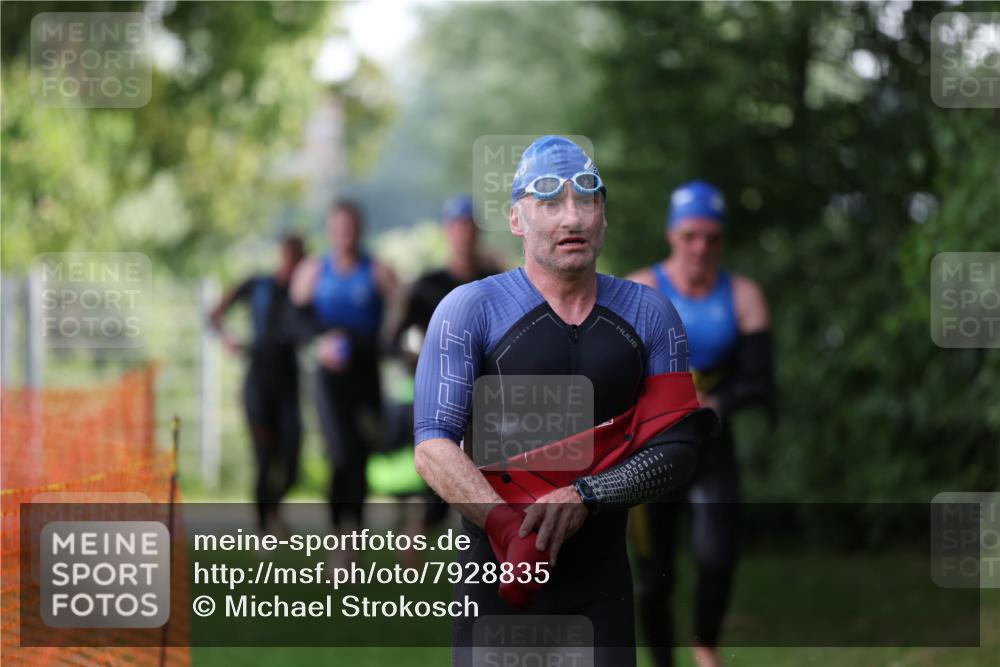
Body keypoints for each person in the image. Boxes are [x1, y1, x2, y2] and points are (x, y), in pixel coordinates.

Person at [413, 136, 715, 667]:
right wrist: (506, 529)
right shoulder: (469, 310)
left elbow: (680, 447)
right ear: (516, 219)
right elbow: (432, 446)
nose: (571, 218)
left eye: (587, 200)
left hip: (599, 589)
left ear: (604, 216)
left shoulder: (650, 314)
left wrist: (586, 495)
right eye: (549, 203)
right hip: (497, 579)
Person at [627, 180, 776, 667]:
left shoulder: (744, 296)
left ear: (722, 241)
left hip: (711, 448)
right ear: (672, 235)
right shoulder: (639, 290)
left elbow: (759, 382)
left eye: (711, 238)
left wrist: (715, 400)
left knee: (717, 558)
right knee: (653, 578)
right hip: (650, 451)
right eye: (691, 235)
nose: (700, 248)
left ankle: (705, 647)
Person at [386, 194, 501, 528]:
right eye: (457, 227)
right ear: (446, 232)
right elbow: (392, 342)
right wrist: (423, 359)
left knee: (486, 474)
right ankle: (415, 528)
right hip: (441, 394)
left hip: (486, 395)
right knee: (440, 469)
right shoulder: (425, 286)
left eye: (469, 227)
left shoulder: (494, 278)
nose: (463, 234)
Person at [290, 200, 398, 553]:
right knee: (340, 452)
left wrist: (384, 345)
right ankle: (339, 539)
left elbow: (400, 316)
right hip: (328, 378)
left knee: (362, 454)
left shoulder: (378, 271)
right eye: (337, 227)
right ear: (329, 231)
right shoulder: (313, 271)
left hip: (365, 374)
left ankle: (356, 532)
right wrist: (319, 342)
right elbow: (294, 320)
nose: (344, 234)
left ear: (360, 229)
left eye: (350, 227)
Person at [209, 234, 306, 535]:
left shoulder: (303, 293)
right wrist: (227, 338)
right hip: (258, 385)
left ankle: (274, 509)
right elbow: (215, 313)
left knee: (291, 461)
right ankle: (263, 530)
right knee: (265, 458)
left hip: (288, 386)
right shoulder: (258, 285)